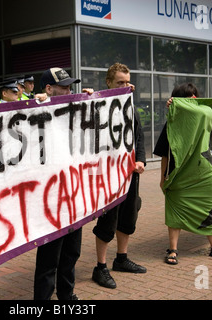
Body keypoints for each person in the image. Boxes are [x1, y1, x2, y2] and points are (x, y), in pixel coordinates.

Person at [153, 83, 212, 265]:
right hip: (178, 174)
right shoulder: (172, 124)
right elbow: (164, 153)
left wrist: (180, 104)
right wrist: (162, 177)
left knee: (209, 208)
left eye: (195, 95)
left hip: (204, 173)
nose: (193, 99)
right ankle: (173, 249)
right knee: (174, 210)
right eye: (188, 97)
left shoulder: (206, 115)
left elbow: (204, 111)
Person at [33, 67, 93, 300]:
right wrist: (36, 102)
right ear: (48, 89)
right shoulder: (36, 110)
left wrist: (94, 102)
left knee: (71, 253)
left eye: (71, 86)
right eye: (64, 87)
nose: (70, 91)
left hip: (74, 195)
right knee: (49, 258)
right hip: (50, 200)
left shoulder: (74, 110)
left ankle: (66, 295)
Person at [91, 63, 146, 289]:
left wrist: (140, 160)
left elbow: (140, 136)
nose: (124, 86)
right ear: (108, 82)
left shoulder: (130, 105)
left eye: (127, 82)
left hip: (130, 173)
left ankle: (121, 259)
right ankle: (100, 267)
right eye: (119, 82)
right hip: (109, 176)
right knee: (108, 220)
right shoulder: (98, 104)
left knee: (128, 216)